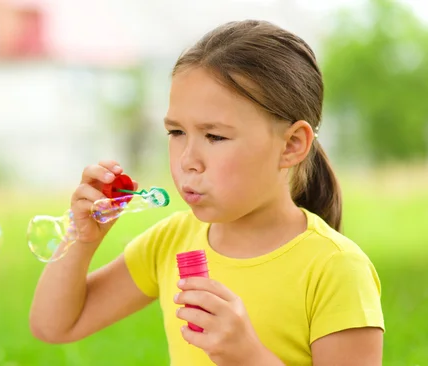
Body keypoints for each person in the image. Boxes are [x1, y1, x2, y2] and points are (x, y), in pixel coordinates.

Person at [29, 19, 384, 365]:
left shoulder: (336, 269)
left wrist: (249, 357)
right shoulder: (172, 240)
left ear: (291, 145)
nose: (187, 160)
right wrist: (82, 238)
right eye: (176, 132)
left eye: (215, 136)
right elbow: (55, 325)